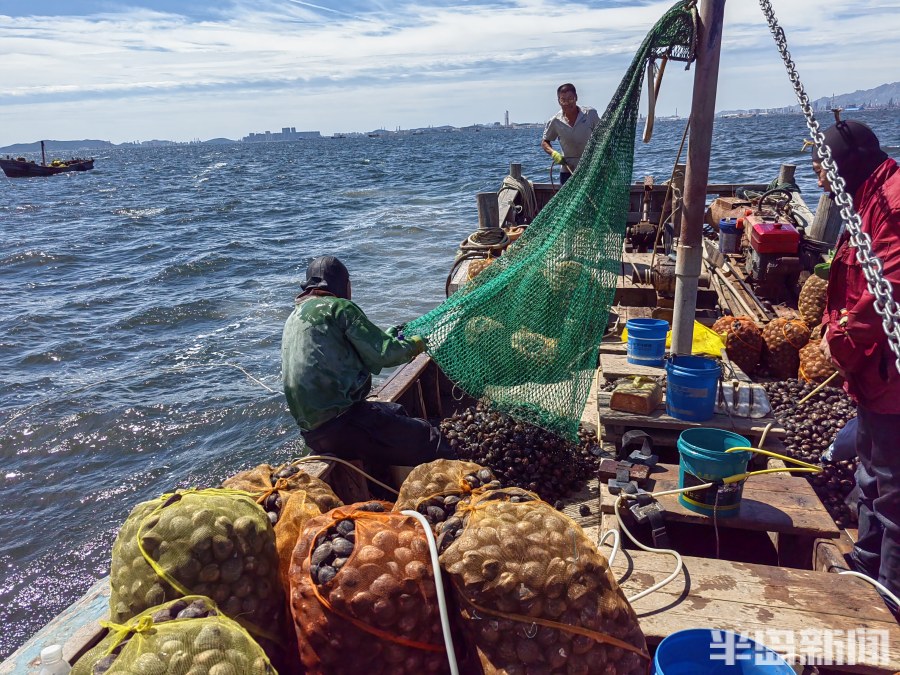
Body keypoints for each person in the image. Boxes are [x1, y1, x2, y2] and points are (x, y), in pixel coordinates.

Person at [813, 120, 900, 609]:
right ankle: (865, 572)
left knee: (893, 496)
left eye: (824, 168)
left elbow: (889, 288)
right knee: (870, 474)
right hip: (875, 375)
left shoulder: (893, 201)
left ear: (845, 162)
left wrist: (840, 338)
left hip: (892, 379)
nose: (820, 180)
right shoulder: (868, 194)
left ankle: (888, 604)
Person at [281, 255, 455, 473]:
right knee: (430, 438)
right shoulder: (340, 308)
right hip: (345, 425)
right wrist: (416, 344)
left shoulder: (295, 316)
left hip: (314, 435)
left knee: (397, 410)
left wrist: (387, 337)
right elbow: (385, 355)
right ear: (343, 285)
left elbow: (357, 352)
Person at [541, 83, 601, 185]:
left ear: (576, 98)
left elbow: (603, 133)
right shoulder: (555, 121)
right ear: (559, 101)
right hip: (567, 169)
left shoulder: (590, 114)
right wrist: (554, 153)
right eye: (563, 100)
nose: (567, 103)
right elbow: (545, 142)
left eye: (570, 99)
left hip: (591, 167)